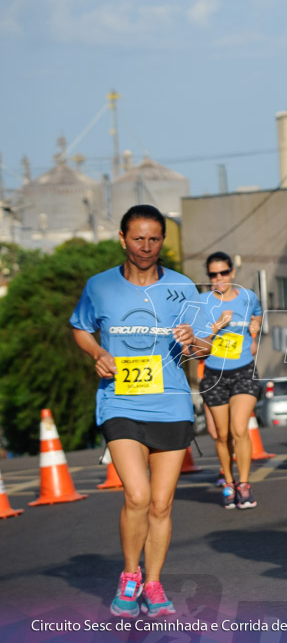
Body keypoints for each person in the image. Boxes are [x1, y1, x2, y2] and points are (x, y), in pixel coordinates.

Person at [70, 204, 209, 618]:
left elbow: (205, 347)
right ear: (122, 238)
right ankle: (130, 576)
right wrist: (97, 351)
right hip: (120, 400)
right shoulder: (100, 286)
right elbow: (80, 327)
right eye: (137, 238)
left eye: (154, 239)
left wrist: (193, 340)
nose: (145, 247)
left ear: (162, 241)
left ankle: (153, 582)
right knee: (138, 494)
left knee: (162, 504)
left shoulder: (184, 288)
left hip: (170, 402)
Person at [198, 252, 263, 509]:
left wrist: (255, 330)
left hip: (244, 369)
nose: (219, 279)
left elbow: (257, 314)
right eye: (213, 275)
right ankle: (228, 481)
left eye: (223, 273)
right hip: (214, 374)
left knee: (239, 429)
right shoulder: (202, 302)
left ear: (232, 273)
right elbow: (196, 341)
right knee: (222, 435)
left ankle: (244, 485)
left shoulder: (248, 297)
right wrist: (216, 326)